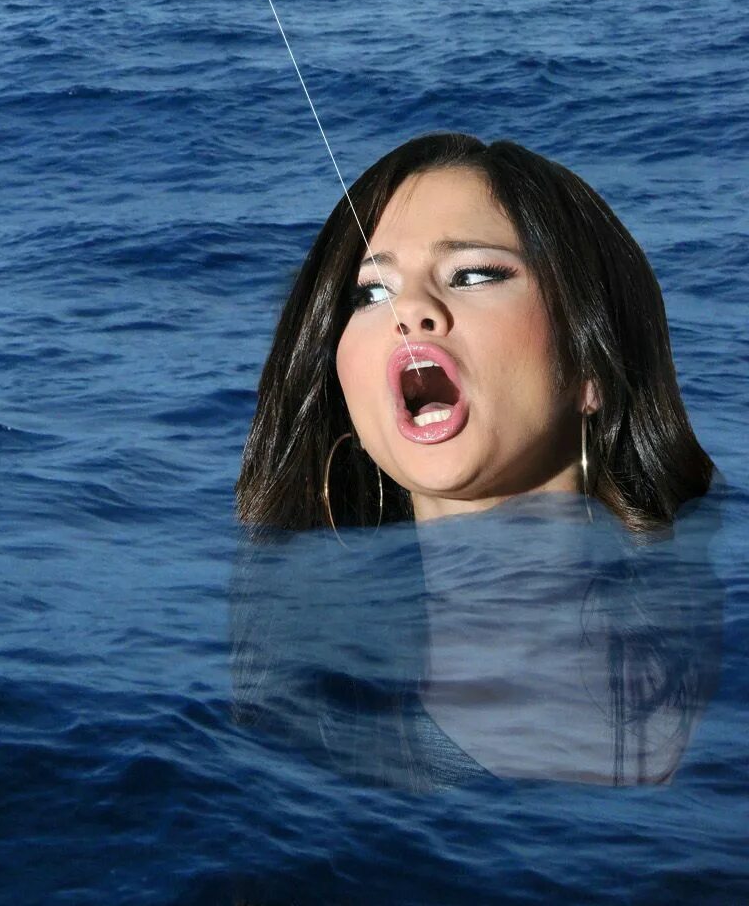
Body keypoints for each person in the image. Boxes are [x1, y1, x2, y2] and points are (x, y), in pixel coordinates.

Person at [230, 131, 721, 786]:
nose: (411, 311)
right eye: (369, 294)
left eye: (474, 275)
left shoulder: (717, 678)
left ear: (590, 365)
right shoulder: (295, 733)